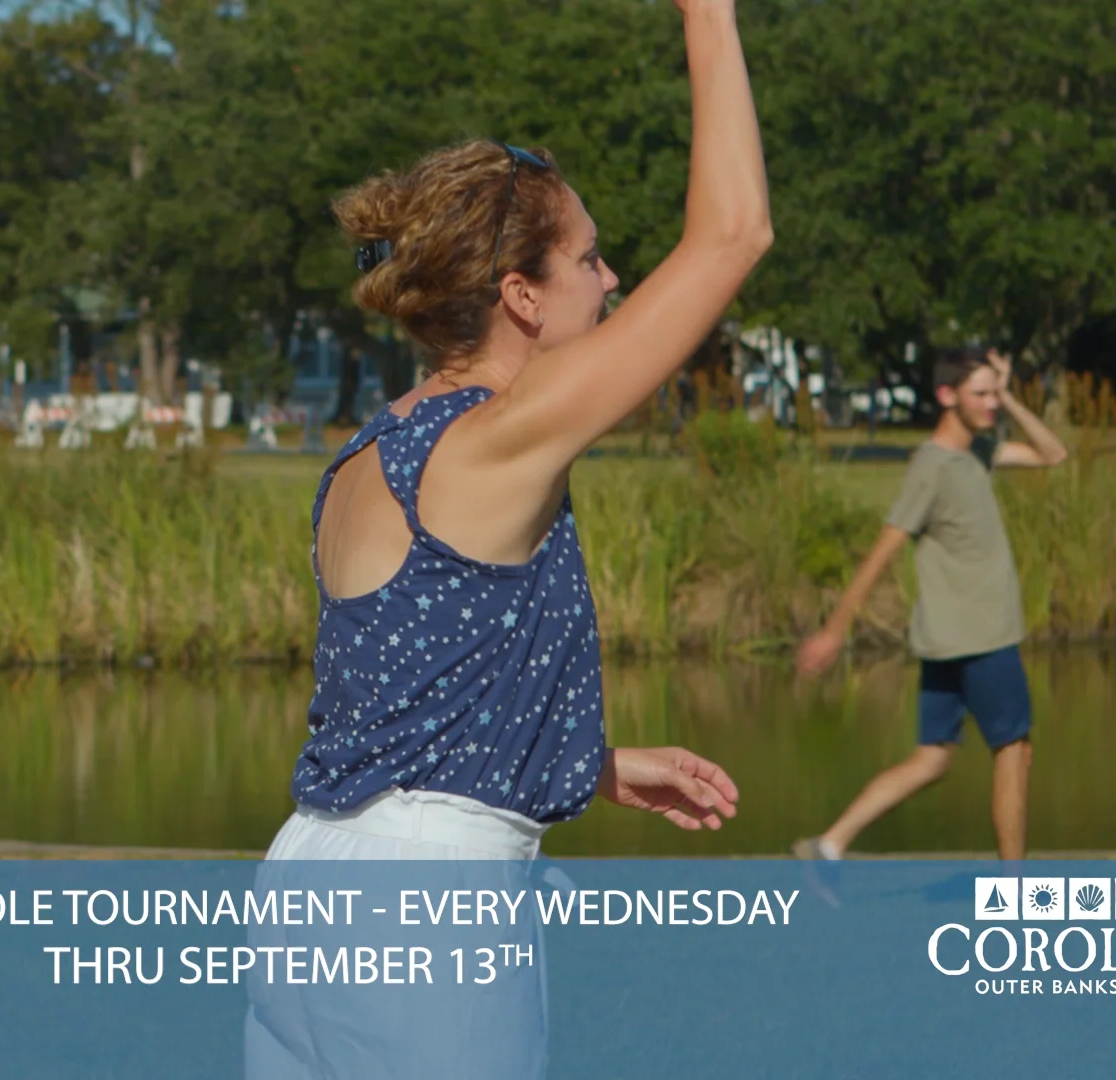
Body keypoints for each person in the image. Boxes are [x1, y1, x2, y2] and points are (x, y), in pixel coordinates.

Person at [244, 1, 767, 1075]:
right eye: (592, 260)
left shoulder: (369, 451)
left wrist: (593, 763)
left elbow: (415, 700)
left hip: (305, 881)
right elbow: (732, 236)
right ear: (521, 295)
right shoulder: (496, 441)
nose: (613, 282)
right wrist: (707, 13)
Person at [792, 347, 1067, 866]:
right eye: (980, 394)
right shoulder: (933, 467)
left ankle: (827, 846)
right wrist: (834, 630)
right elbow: (884, 548)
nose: (990, 404)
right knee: (1015, 751)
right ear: (946, 395)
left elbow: (1053, 455)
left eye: (994, 393)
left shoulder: (978, 453)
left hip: (951, 638)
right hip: (979, 636)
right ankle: (1014, 888)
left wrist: (1009, 398)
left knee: (932, 758)